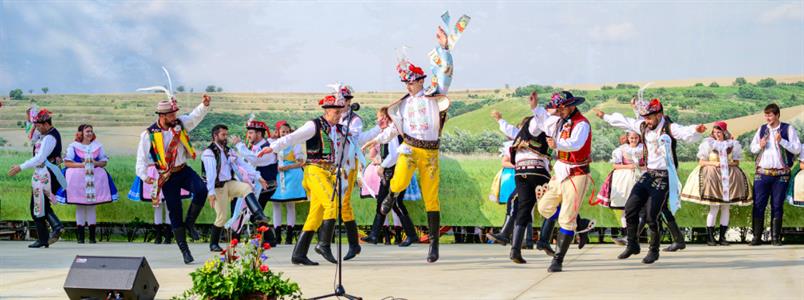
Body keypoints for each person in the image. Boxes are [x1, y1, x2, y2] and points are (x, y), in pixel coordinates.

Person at [363, 26, 456, 263]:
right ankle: (391, 196)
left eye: (411, 82)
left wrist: (444, 48)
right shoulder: (402, 104)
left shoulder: (434, 95)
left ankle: (434, 245)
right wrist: (376, 139)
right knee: (399, 179)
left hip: (430, 152)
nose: (408, 86)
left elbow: (445, 72)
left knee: (431, 197)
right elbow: (394, 129)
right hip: (410, 148)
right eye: (405, 82)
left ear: (420, 80)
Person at [595, 98, 705, 264]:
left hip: (664, 176)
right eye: (645, 117)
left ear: (659, 114)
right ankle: (632, 244)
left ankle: (654, 250)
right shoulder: (643, 126)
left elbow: (684, 132)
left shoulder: (669, 128)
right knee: (631, 208)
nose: (646, 121)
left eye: (650, 117)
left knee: (651, 215)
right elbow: (625, 122)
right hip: (648, 174)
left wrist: (696, 129)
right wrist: (605, 117)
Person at [134, 77, 211, 264]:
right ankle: (184, 250)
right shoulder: (148, 135)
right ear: (162, 116)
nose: (174, 118)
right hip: (166, 176)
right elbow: (141, 160)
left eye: (174, 114)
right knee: (174, 211)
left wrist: (204, 105)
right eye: (170, 115)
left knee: (201, 190)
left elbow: (194, 117)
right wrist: (146, 177)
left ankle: (190, 223)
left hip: (183, 170)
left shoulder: (179, 124)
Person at [530, 91, 595, 272]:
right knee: (544, 208)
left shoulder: (582, 124)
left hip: (577, 173)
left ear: (571, 105)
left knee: (566, 219)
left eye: (561, 107)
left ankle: (558, 260)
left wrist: (557, 144)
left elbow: (576, 144)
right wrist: (535, 107)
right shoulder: (559, 121)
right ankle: (580, 223)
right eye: (557, 108)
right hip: (560, 172)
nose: (559, 111)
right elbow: (543, 121)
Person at [681, 121, 751, 246]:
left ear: (724, 132)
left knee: (726, 207)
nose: (717, 134)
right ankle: (710, 237)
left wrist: (727, 164)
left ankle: (722, 237)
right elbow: (701, 162)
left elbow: (736, 162)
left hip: (729, 176)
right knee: (714, 207)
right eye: (715, 132)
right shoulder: (708, 143)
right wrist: (715, 164)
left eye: (719, 132)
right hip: (713, 177)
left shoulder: (732, 144)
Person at [202, 124, 271, 252]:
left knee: (246, 188)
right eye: (223, 135)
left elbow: (243, 163)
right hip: (218, 187)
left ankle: (258, 215)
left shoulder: (228, 150)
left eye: (226, 135)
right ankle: (213, 244)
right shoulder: (209, 152)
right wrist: (211, 193)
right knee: (222, 216)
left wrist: (258, 176)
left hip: (229, 183)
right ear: (215, 136)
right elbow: (210, 175)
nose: (225, 138)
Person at [8, 106, 66, 248]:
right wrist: (30, 119)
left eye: (39, 126)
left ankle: (51, 232)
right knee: (41, 206)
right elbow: (32, 135)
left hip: (48, 174)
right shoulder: (45, 135)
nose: (37, 129)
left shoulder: (50, 137)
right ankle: (49, 233)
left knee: (38, 206)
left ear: (46, 124)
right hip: (43, 173)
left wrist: (20, 167)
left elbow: (40, 158)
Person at [361, 107, 418, 247]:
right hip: (393, 170)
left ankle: (411, 235)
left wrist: (383, 165)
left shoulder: (393, 132)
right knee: (384, 201)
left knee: (395, 202)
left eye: (379, 117)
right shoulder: (391, 131)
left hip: (393, 171)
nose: (378, 120)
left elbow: (394, 155)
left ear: (386, 118)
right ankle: (375, 234)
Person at [749, 103, 801, 246]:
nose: (767, 118)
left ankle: (776, 237)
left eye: (770, 115)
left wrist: (782, 141)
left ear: (777, 115)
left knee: (777, 205)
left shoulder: (787, 129)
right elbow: (752, 149)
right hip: (762, 173)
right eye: (766, 115)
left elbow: (796, 149)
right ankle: (756, 237)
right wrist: (760, 145)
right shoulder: (762, 130)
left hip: (781, 175)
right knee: (759, 204)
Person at [57, 124, 118, 244]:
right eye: (87, 131)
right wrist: (83, 165)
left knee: (91, 206)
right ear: (81, 133)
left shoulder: (97, 146)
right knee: (80, 206)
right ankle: (80, 237)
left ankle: (92, 237)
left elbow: (103, 162)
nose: (90, 133)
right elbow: (67, 163)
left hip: (94, 179)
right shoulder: (73, 146)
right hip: (78, 181)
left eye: (91, 131)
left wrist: (94, 162)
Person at [232, 117, 279, 246]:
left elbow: (255, 160)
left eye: (251, 132)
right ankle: (268, 238)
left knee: (255, 212)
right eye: (248, 132)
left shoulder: (267, 148)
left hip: (266, 185)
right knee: (255, 212)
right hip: (255, 185)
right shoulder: (253, 146)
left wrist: (239, 145)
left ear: (259, 134)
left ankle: (266, 238)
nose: (248, 135)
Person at [596, 131, 645, 245]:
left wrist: (641, 168)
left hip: (641, 177)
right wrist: (630, 166)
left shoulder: (644, 148)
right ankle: (627, 234)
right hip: (624, 180)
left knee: (641, 209)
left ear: (639, 138)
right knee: (625, 208)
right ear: (628, 138)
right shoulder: (621, 149)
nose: (633, 140)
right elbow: (615, 165)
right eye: (631, 138)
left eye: (636, 138)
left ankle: (632, 236)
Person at [269, 121, 307, 244]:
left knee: (291, 204)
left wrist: (286, 168)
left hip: (291, 175)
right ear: (278, 132)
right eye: (282, 131)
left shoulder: (294, 144)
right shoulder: (274, 144)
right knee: (276, 205)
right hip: (277, 175)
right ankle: (277, 235)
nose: (285, 133)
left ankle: (289, 235)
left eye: (287, 131)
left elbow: (301, 162)